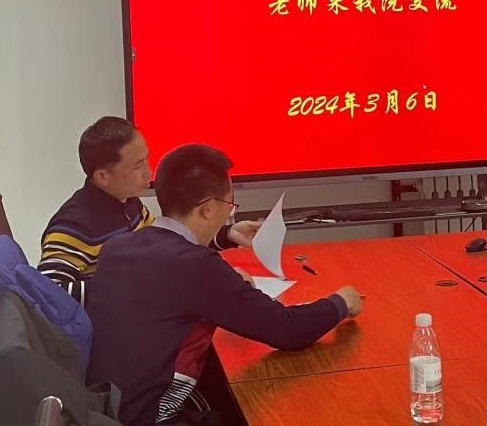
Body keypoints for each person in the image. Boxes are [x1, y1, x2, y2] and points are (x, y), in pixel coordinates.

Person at [86, 144, 364, 426]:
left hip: (104, 407)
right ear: (208, 208)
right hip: (151, 418)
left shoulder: (118, 246)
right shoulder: (197, 267)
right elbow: (289, 330)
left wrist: (226, 276)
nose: (228, 213)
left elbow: (171, 280)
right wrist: (341, 302)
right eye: (229, 205)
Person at [38, 116, 261, 304]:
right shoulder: (73, 226)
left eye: (147, 159)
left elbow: (166, 247)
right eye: (138, 166)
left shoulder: (129, 203)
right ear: (103, 176)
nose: (149, 172)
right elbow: (47, 294)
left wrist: (227, 235)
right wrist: (133, 284)